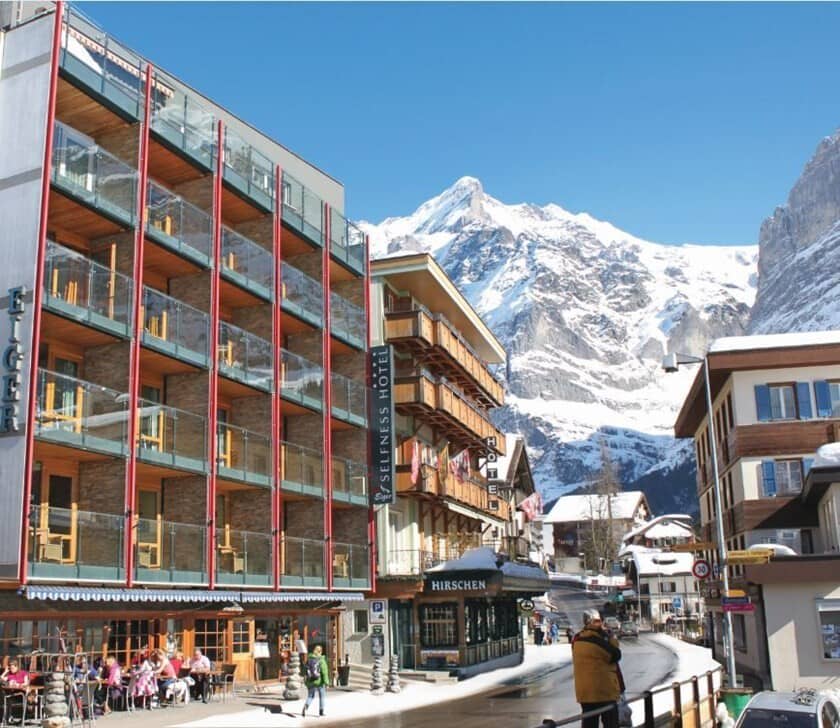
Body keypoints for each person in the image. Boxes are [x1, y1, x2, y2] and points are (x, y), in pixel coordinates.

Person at [572, 609, 622, 728]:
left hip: (584, 693)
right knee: (611, 723)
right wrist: (611, 638)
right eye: (598, 621)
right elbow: (615, 655)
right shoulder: (597, 641)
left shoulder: (577, 639)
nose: (601, 624)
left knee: (589, 723)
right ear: (591, 622)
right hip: (603, 691)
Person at [301, 644, 329, 718]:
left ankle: (306, 706)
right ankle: (321, 711)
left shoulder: (309, 659)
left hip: (310, 681)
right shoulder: (321, 660)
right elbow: (324, 672)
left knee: (310, 696)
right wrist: (326, 682)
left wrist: (305, 679)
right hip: (319, 682)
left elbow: (304, 670)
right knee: (322, 696)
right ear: (320, 651)